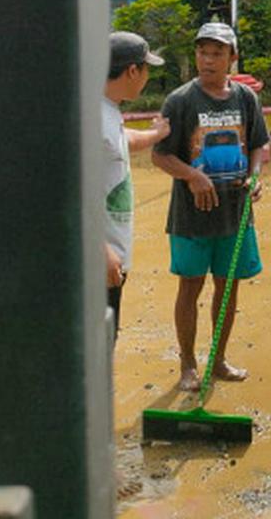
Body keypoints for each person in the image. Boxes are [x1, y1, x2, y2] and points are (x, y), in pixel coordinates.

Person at [152, 22, 270, 391]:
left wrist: (254, 176)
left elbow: (258, 146)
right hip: (192, 215)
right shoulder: (181, 100)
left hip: (235, 213)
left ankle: (218, 360)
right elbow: (160, 156)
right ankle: (187, 364)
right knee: (190, 286)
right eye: (203, 52)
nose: (208, 59)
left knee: (228, 286)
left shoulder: (245, 99)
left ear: (232, 58)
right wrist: (192, 176)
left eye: (217, 53)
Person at [103, 31, 170, 342]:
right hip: (99, 262)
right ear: (132, 70)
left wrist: (155, 135)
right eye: (146, 69)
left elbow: (122, 141)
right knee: (98, 347)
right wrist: (100, 251)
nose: (146, 77)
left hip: (108, 259)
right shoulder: (92, 116)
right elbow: (69, 189)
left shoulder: (106, 110)